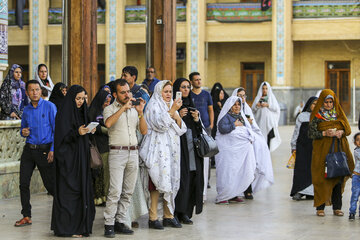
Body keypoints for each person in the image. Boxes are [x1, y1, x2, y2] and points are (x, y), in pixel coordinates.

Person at [103, 79, 147, 237]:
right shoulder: (109, 109)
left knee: (128, 190)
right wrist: (123, 108)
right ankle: (109, 223)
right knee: (115, 191)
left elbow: (143, 131)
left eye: (128, 91)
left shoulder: (134, 110)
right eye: (123, 92)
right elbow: (108, 124)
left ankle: (120, 221)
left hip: (133, 153)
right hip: (117, 153)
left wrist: (141, 112)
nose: (127, 94)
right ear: (115, 94)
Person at [139, 80, 186, 230]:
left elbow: (181, 129)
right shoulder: (153, 106)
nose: (168, 94)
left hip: (171, 150)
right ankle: (153, 217)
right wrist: (172, 111)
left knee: (169, 182)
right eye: (165, 91)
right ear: (159, 92)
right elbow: (160, 125)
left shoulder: (172, 105)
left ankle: (168, 215)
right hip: (157, 149)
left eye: (170, 92)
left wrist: (176, 115)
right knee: (156, 182)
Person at [51, 85, 95, 237]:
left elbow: (84, 136)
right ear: (71, 98)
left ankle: (80, 227)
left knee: (81, 191)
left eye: (83, 98)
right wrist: (77, 133)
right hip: (68, 162)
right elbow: (61, 140)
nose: (81, 102)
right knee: (69, 193)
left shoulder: (82, 113)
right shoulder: (63, 114)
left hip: (81, 160)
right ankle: (67, 228)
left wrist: (89, 130)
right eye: (78, 98)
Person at [14, 80, 56, 227]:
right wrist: (23, 132)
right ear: (27, 93)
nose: (34, 92)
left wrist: (52, 150)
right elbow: (23, 130)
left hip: (45, 150)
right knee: (23, 184)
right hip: (29, 150)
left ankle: (63, 213)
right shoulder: (26, 110)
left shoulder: (50, 106)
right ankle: (26, 215)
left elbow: (57, 130)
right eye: (31, 90)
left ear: (41, 90)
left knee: (50, 185)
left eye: (37, 89)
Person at [308, 89, 354, 217]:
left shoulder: (338, 114)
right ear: (322, 102)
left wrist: (341, 132)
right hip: (322, 153)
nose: (328, 104)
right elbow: (311, 133)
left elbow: (348, 130)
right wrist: (324, 133)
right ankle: (320, 207)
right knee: (321, 179)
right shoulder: (317, 116)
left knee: (337, 179)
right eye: (326, 102)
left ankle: (337, 208)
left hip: (338, 151)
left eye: (331, 102)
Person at [232, 88, 274, 199]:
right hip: (236, 143)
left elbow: (254, 126)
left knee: (250, 166)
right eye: (239, 95)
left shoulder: (247, 109)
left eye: (244, 96)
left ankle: (248, 190)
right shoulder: (231, 109)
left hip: (249, 141)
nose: (242, 98)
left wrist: (249, 125)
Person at [173, 78, 204, 224]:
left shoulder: (192, 104)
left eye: (188, 87)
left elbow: (199, 130)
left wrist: (197, 119)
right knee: (181, 178)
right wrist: (178, 115)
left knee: (193, 177)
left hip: (193, 148)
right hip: (179, 149)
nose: (186, 90)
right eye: (182, 87)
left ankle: (186, 212)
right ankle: (175, 212)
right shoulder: (173, 106)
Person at [215, 96, 256, 204]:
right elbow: (222, 129)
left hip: (239, 153)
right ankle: (223, 196)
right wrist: (234, 125)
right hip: (228, 152)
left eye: (239, 104)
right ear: (230, 106)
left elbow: (247, 130)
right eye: (235, 105)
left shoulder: (241, 116)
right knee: (228, 172)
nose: (237, 107)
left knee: (237, 172)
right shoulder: (225, 116)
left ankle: (233, 194)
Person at [189, 72, 214, 192]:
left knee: (206, 154)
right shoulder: (189, 94)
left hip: (206, 127)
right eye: (196, 80)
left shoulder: (206, 94)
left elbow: (210, 109)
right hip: (193, 128)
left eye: (200, 79)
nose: (199, 81)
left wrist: (211, 124)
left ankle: (206, 180)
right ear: (191, 82)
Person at [290, 96, 318, 201]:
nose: (315, 106)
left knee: (313, 170)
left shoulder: (320, 117)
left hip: (315, 148)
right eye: (313, 103)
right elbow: (296, 132)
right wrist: (293, 146)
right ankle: (299, 191)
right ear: (309, 104)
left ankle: (311, 192)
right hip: (302, 147)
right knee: (301, 169)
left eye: (317, 104)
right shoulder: (301, 116)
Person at [88, 89, 112, 206]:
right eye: (105, 102)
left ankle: (104, 196)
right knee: (98, 173)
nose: (107, 104)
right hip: (97, 146)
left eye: (109, 102)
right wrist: (107, 130)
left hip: (106, 145)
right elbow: (92, 127)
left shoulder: (107, 112)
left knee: (106, 173)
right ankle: (98, 197)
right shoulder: (93, 111)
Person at [251, 81, 281, 152]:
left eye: (266, 88)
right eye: (263, 88)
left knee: (268, 142)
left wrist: (268, 105)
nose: (264, 90)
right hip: (260, 124)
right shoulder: (258, 98)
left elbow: (277, 109)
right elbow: (253, 110)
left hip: (269, 124)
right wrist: (257, 106)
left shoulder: (271, 98)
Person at [210, 83, 228, 168]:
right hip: (214, 128)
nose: (222, 95)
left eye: (223, 93)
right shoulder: (213, 104)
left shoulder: (226, 103)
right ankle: (213, 160)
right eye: (220, 93)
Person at [349, 132, 360, 220]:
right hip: (357, 176)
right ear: (355, 142)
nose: (359, 141)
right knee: (355, 195)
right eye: (357, 140)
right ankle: (352, 212)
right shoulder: (356, 151)